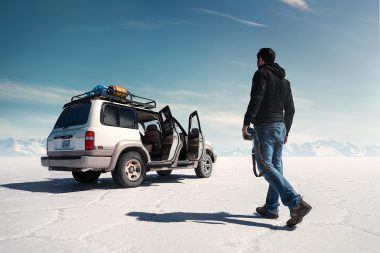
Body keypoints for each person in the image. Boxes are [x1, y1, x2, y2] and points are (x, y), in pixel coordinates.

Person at [242, 48, 312, 227]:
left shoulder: (261, 74)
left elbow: (256, 97)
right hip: (280, 126)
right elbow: (291, 109)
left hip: (265, 125)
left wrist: (247, 122)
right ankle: (272, 207)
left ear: (260, 60)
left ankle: (295, 202)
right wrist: (286, 130)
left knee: (265, 166)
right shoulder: (285, 82)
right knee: (275, 166)